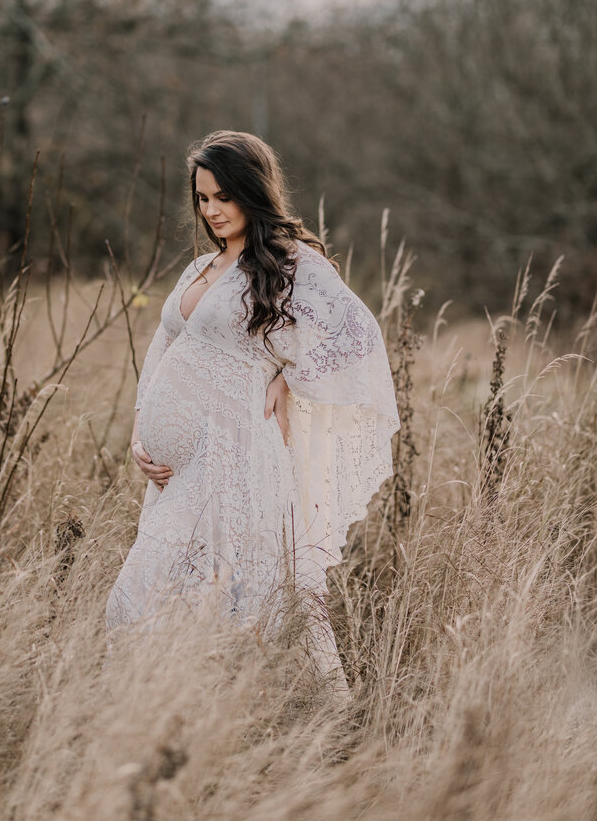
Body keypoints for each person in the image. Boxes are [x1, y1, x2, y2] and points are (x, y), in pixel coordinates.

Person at [105, 130, 400, 683]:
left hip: (236, 455)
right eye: (202, 198)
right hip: (178, 470)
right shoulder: (199, 269)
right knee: (149, 609)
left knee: (214, 607)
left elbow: (358, 337)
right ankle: (181, 726)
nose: (211, 210)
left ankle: (266, 723)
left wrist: (290, 382)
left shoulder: (291, 265)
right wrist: (142, 435)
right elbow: (164, 348)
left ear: (252, 191)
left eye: (224, 196)